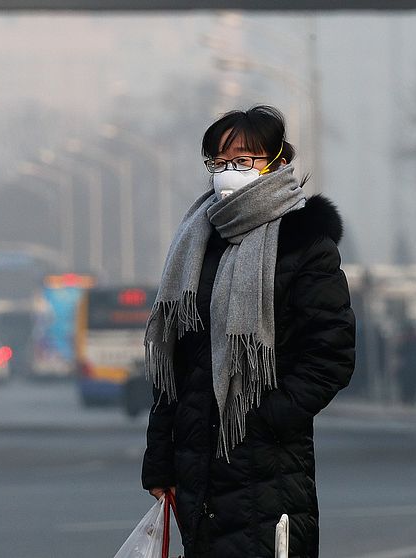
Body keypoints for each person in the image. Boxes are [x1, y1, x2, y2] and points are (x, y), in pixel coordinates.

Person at [141, 105, 356, 557]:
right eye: (218, 163)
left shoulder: (304, 244)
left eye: (242, 160)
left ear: (277, 163)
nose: (227, 173)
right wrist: (160, 461)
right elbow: (173, 366)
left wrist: (262, 419)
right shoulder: (197, 241)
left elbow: (331, 355)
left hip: (268, 469)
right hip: (197, 471)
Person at [395, 322, 416, 406]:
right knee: (405, 384)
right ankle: (406, 398)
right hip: (406, 367)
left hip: (414, 366)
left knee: (413, 383)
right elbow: (399, 352)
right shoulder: (405, 341)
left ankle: (411, 399)